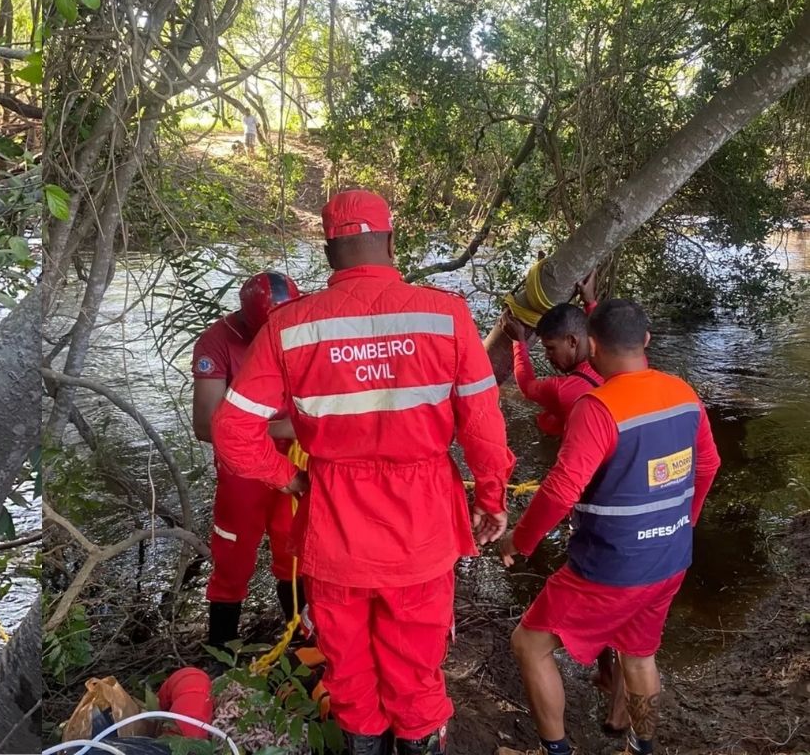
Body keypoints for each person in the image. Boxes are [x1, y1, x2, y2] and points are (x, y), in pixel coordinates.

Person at [211, 189, 516, 755]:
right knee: (417, 677)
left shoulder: (289, 326)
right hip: (421, 530)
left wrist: (291, 479)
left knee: (348, 679)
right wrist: (492, 498)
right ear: (390, 240)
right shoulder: (445, 315)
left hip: (334, 529)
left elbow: (232, 432)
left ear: (329, 251)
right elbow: (483, 427)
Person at [495, 299, 721, 755]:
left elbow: (560, 491)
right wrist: (682, 524)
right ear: (647, 341)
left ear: (592, 345)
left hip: (610, 568)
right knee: (639, 656)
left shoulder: (597, 408)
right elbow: (708, 465)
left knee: (529, 644)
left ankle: (554, 750)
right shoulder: (684, 393)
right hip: (670, 559)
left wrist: (518, 540)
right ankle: (641, 746)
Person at [191, 271, 302, 652]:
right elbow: (207, 425)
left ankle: (302, 638)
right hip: (244, 466)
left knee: (295, 547)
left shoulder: (301, 330)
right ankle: (222, 650)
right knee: (234, 554)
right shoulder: (218, 341)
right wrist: (278, 428)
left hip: (296, 460)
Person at [500, 272, 602, 438]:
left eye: (550, 348)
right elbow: (602, 332)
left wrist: (518, 341)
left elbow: (527, 386)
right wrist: (590, 302)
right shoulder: (617, 359)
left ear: (572, 341)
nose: (547, 356)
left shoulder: (561, 390)